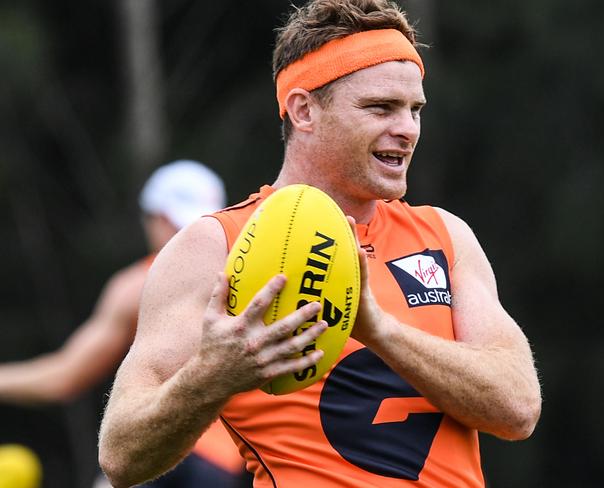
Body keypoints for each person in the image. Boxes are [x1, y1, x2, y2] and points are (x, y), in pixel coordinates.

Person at [98, 1, 543, 487]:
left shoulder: (445, 235)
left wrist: (378, 330)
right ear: (303, 109)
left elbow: (518, 409)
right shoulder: (215, 246)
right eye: (380, 107)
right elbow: (121, 457)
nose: (408, 129)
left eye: (414, 109)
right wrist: (212, 376)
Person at [0, 160, 246, 487]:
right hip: (231, 464)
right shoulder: (247, 275)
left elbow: (66, 377)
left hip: (162, 451)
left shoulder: (138, 284)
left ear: (154, 218)